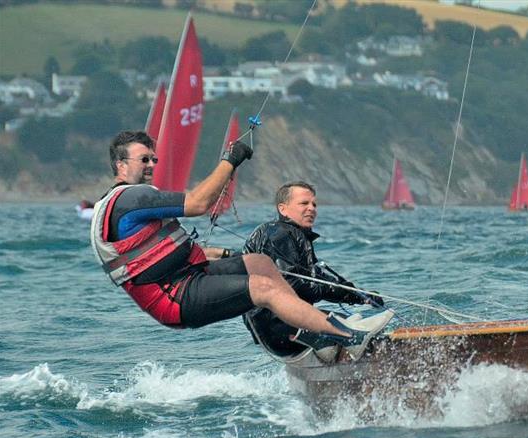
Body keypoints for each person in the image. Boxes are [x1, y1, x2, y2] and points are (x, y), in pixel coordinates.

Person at [90, 130, 390, 354]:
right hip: (175, 297)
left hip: (189, 276)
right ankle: (346, 335)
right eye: (144, 159)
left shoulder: (124, 204)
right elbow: (197, 203)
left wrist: (221, 253)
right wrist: (230, 160)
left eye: (154, 158)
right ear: (120, 164)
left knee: (260, 263)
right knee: (263, 289)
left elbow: (154, 253)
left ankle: (309, 331)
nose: (152, 164)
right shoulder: (132, 198)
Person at [242, 181, 386, 357]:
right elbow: (293, 284)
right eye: (304, 203)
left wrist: (359, 296)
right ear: (283, 209)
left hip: (274, 331)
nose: (312, 208)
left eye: (314, 204)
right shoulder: (279, 234)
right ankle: (349, 341)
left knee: (348, 320)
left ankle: (329, 346)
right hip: (279, 327)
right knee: (355, 326)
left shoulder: (293, 235)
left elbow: (318, 278)